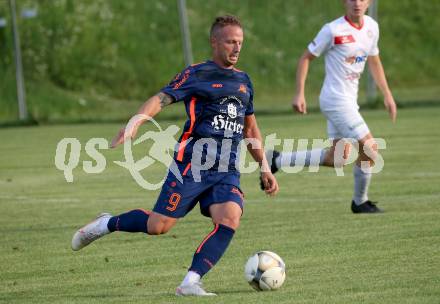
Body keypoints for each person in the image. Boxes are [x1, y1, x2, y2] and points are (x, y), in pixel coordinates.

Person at [71, 15, 279, 296]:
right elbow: (161, 98)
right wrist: (136, 121)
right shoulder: (197, 74)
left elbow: (250, 127)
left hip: (226, 169)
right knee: (158, 226)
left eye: (240, 42)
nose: (237, 47)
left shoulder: (244, 81)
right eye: (231, 41)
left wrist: (264, 167)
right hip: (191, 165)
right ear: (214, 42)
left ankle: (190, 282)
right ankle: (107, 223)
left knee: (229, 218)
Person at [264, 0, 396, 213]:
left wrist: (387, 94)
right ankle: (360, 202)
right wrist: (299, 93)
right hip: (335, 100)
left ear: (369, 2)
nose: (357, 3)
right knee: (371, 148)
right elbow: (305, 58)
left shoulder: (372, 27)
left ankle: (278, 160)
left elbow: (374, 60)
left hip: (349, 101)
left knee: (337, 158)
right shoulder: (333, 30)